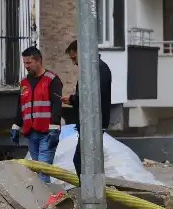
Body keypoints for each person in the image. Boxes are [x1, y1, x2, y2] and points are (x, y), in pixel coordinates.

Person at [11, 46, 63, 184]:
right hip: (31, 133)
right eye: (24, 63)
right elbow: (21, 105)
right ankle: (44, 195)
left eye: (29, 63)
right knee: (36, 171)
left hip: (47, 133)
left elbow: (57, 105)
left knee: (43, 172)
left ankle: (44, 197)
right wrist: (16, 125)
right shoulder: (24, 82)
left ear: (38, 61)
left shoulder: (52, 80)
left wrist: (55, 127)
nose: (26, 66)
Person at [62, 40, 112, 178]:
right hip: (91, 122)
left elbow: (93, 98)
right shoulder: (95, 68)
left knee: (81, 161)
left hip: (93, 124)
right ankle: (90, 188)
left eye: (74, 58)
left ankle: (89, 189)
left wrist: (73, 99)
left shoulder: (96, 69)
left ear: (83, 52)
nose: (74, 63)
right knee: (86, 162)